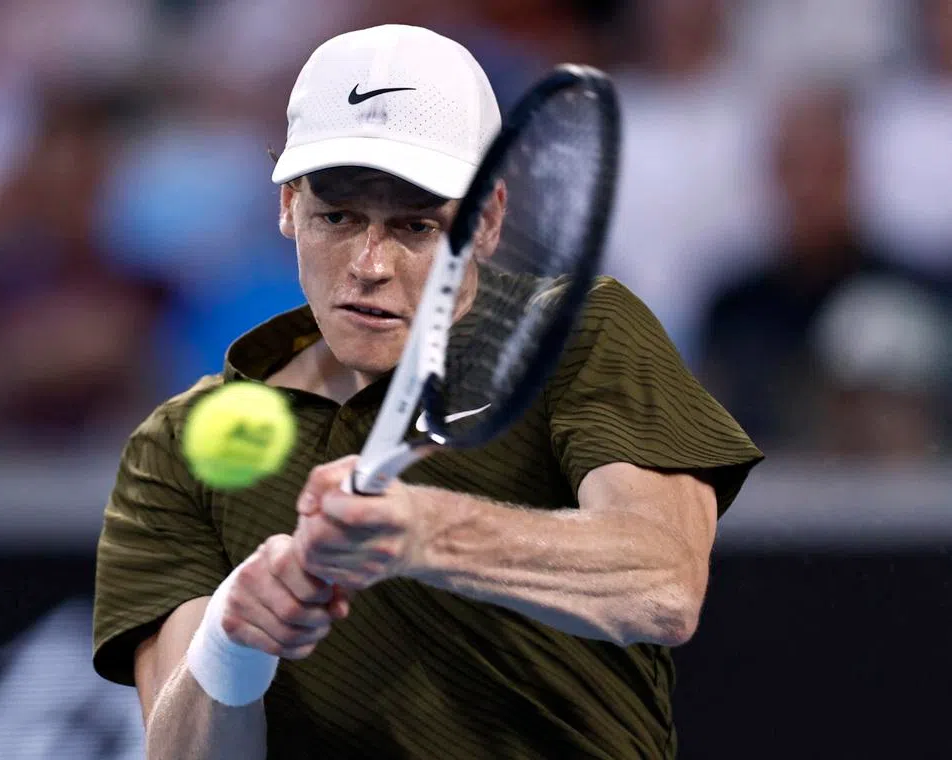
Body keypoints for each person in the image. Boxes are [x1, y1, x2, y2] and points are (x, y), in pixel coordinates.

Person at [93, 24, 763, 760]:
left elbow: (663, 583)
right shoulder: (175, 445)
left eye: (414, 224)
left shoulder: (582, 334)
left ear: (489, 219)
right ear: (288, 206)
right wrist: (235, 640)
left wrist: (422, 531)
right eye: (337, 216)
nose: (369, 264)